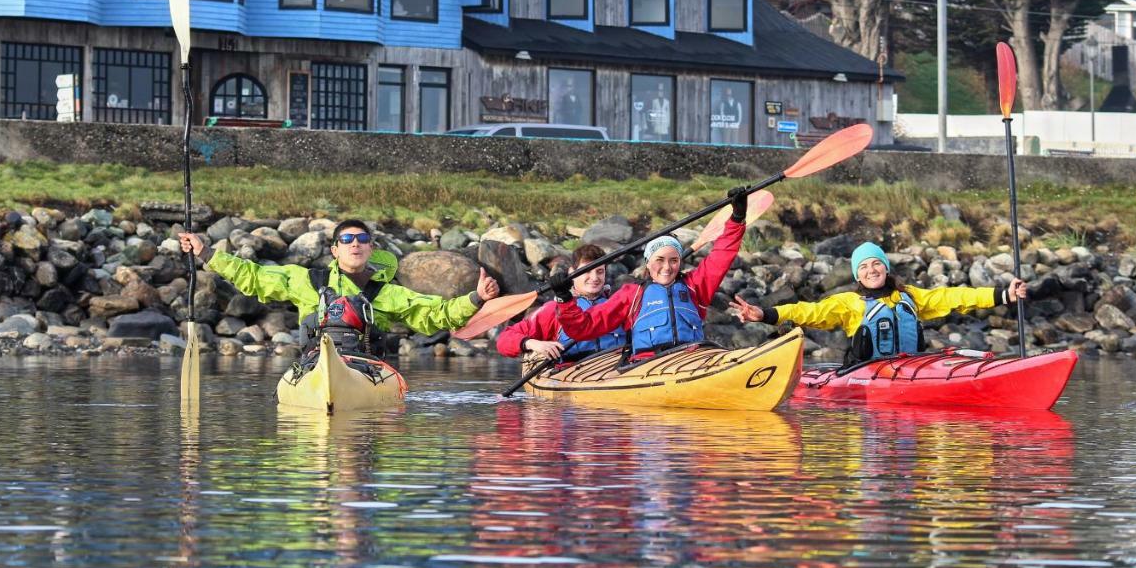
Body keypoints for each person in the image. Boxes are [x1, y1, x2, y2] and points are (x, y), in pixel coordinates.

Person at [177, 218, 500, 358]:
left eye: (362, 240)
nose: (355, 244)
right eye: (346, 239)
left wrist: (476, 298)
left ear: (372, 249)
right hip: (316, 364)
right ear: (334, 250)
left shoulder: (388, 294)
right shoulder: (307, 281)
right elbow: (255, 276)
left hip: (367, 370)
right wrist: (206, 253)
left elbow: (438, 315)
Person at [728, 241, 1028, 365]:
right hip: (867, 372)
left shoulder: (909, 295)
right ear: (858, 274)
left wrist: (1004, 294)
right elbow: (809, 312)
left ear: (886, 267)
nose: (871, 270)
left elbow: (954, 297)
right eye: (864, 267)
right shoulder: (850, 303)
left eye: (876, 264)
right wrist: (765, 314)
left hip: (910, 366)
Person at [553, 186, 750, 360]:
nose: (667, 267)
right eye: (660, 260)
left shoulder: (695, 286)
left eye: (674, 260)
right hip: (648, 366)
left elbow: (722, 255)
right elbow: (583, 327)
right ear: (648, 263)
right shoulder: (632, 294)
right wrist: (564, 298)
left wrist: (737, 218)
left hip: (692, 359)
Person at [496, 243, 624, 362]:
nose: (595, 278)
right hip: (574, 372)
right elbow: (504, 340)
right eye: (587, 271)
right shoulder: (553, 310)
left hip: (619, 369)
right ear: (571, 273)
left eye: (600, 271)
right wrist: (533, 343)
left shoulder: (617, 305)